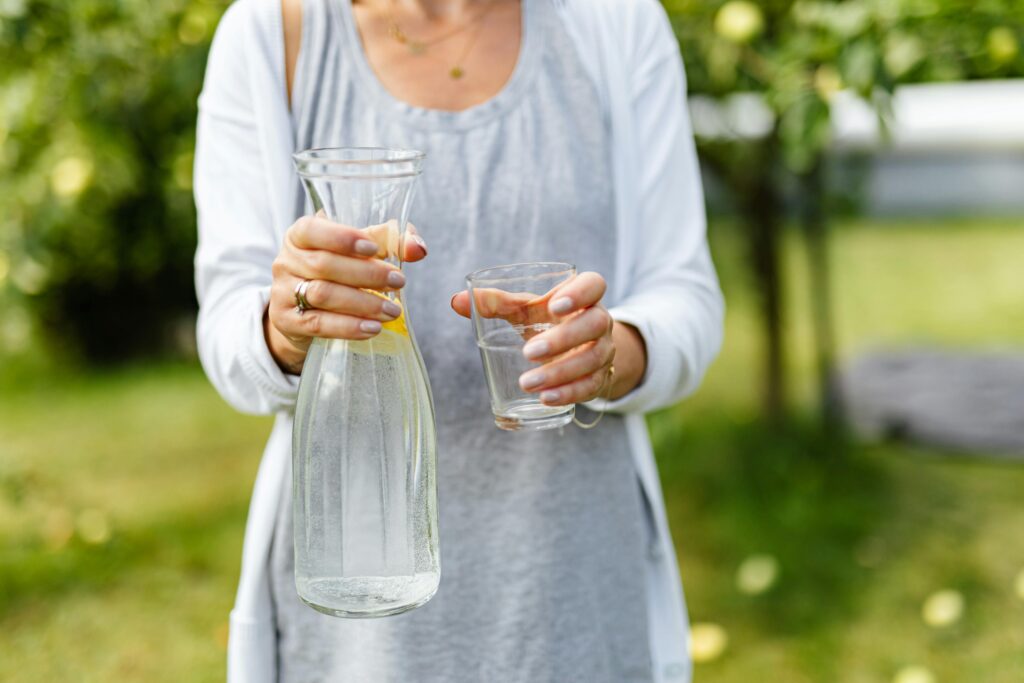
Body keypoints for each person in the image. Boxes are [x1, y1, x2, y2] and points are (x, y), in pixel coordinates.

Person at [194, 0, 724, 681]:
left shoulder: (616, 22)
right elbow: (226, 327)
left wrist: (611, 350)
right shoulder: (272, 34)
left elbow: (687, 296)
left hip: (573, 584)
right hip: (359, 601)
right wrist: (287, 325)